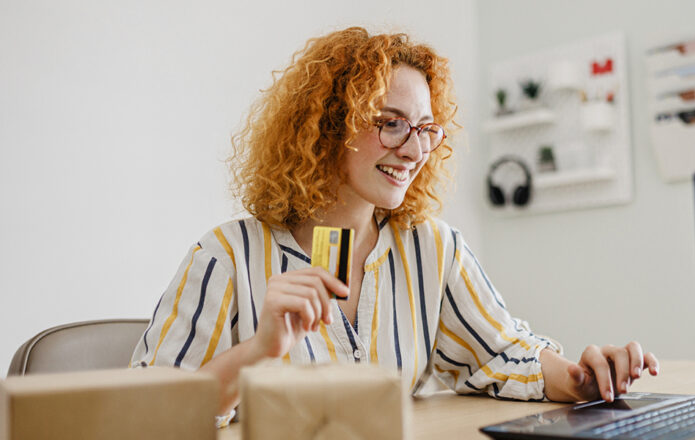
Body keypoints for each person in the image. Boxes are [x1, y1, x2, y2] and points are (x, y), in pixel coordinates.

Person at [130, 26, 659, 421]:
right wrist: (259, 351)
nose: (414, 150)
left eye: (426, 129)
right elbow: (145, 418)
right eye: (390, 124)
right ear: (327, 128)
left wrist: (584, 379)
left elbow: (502, 351)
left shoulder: (432, 248)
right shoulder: (228, 256)